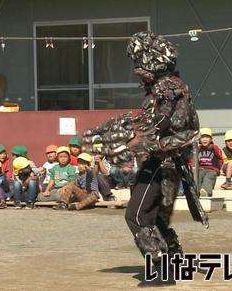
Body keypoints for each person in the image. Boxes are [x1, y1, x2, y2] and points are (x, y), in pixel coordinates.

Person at [83, 32, 205, 286]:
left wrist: (127, 137)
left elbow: (162, 122)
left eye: (139, 60)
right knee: (154, 216)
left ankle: (161, 268)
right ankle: (174, 260)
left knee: (137, 216)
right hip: (165, 161)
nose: (136, 69)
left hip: (162, 161)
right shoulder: (170, 86)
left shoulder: (167, 88)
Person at [196, 128, 223, 196]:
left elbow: (221, 158)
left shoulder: (215, 148)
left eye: (207, 137)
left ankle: (206, 191)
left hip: (212, 169)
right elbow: (194, 159)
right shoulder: (198, 149)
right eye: (202, 137)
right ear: (199, 139)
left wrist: (218, 168)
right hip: (201, 169)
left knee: (208, 178)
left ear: (211, 139)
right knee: (198, 177)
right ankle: (197, 192)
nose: (204, 139)